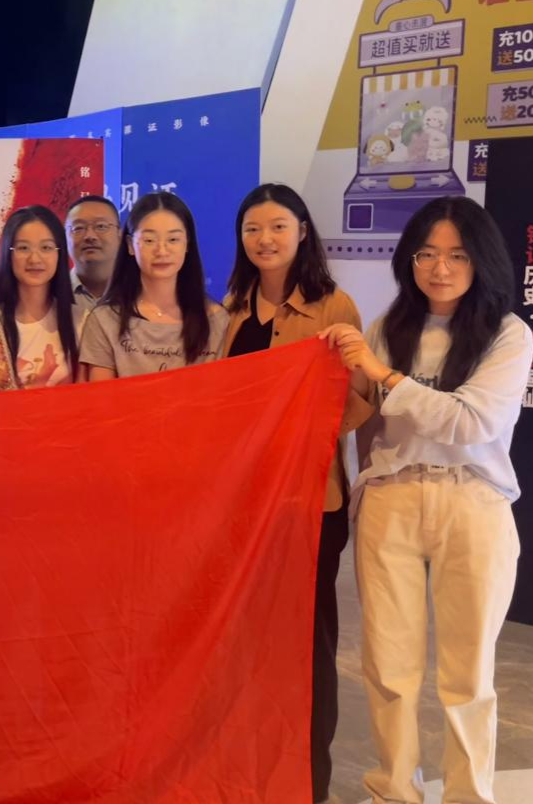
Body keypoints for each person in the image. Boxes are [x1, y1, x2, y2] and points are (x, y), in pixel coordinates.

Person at [319, 196, 533, 804]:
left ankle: (468, 795)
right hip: (392, 500)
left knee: (468, 673)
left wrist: (385, 376)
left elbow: (471, 423)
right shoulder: (388, 328)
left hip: (474, 502)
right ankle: (394, 789)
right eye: (427, 254)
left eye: (457, 255)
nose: (440, 268)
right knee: (388, 666)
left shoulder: (508, 334)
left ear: (482, 260)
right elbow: (362, 417)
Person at [219, 183, 372, 804]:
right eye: (253, 228)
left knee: (308, 642)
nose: (265, 239)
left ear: (303, 231)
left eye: (278, 226)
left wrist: (298, 428)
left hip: (310, 501)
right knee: (247, 640)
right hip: (243, 502)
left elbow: (360, 401)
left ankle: (308, 779)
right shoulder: (233, 306)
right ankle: (249, 765)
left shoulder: (334, 306)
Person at [79, 192, 228, 379]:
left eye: (173, 239)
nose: (162, 251)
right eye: (149, 240)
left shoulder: (216, 320)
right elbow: (101, 394)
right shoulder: (106, 320)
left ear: (187, 244)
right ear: (130, 245)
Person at [0, 206, 79, 390]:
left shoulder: (79, 319)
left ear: (59, 254)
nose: (34, 259)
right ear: (8, 254)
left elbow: (87, 397)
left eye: (46, 247)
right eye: (23, 248)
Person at [65, 195, 120, 315]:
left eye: (101, 226)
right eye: (78, 228)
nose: (90, 236)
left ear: (119, 236)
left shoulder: (139, 293)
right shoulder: (51, 295)